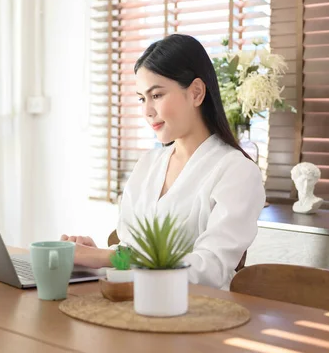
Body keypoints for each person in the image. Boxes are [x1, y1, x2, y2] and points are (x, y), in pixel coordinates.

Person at [61, 34, 266, 290]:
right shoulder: (148, 164)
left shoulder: (237, 171)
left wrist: (106, 257)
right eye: (141, 98)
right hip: (132, 305)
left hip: (199, 314)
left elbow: (210, 268)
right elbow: (131, 251)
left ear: (196, 93)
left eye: (156, 95)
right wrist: (97, 258)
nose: (147, 110)